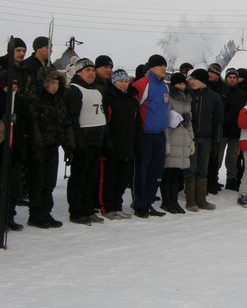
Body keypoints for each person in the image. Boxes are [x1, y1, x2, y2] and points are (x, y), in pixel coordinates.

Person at [25, 71, 74, 228]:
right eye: (51, 83)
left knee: (49, 181)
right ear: (44, 83)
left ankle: (45, 212)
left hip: (53, 146)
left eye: (57, 83)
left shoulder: (58, 101)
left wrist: (68, 146)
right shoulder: (35, 100)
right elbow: (33, 125)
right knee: (37, 181)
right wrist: (37, 146)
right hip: (39, 147)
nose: (54, 86)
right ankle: (35, 214)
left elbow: (65, 123)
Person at [65, 58, 110, 226]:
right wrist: (77, 141)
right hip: (82, 141)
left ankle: (88, 209)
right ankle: (76, 212)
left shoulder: (96, 91)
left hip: (96, 141)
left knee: (92, 177)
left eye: (92, 70)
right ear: (78, 73)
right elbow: (72, 118)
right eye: (87, 70)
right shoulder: (75, 90)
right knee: (79, 177)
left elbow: (101, 116)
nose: (91, 73)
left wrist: (105, 138)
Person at [131, 54, 170, 218]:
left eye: (165, 66)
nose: (163, 69)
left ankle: (148, 203)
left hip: (159, 135)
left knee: (155, 171)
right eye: (160, 65)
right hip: (145, 135)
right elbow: (133, 109)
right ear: (151, 67)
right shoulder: (142, 84)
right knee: (142, 171)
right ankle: (139, 205)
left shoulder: (165, 87)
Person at [100, 69, 142, 220]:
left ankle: (117, 206)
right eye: (120, 81)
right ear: (113, 82)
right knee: (109, 179)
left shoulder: (132, 100)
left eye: (125, 81)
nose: (124, 84)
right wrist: (106, 142)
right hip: (112, 146)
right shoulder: (107, 98)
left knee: (122, 180)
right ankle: (107, 207)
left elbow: (138, 124)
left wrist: (137, 144)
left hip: (127, 146)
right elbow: (104, 122)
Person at [183, 69, 220, 211]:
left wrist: (216, 141)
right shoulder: (186, 95)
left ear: (202, 81)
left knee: (203, 169)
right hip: (190, 137)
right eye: (190, 79)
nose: (191, 81)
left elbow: (218, 121)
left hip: (207, 138)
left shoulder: (214, 97)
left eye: (194, 79)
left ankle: (202, 200)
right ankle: (190, 201)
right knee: (190, 168)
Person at [0, 72, 29, 230]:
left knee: (14, 188)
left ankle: (9, 216)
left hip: (15, 150)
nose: (14, 88)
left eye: (16, 85)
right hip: (2, 150)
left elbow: (26, 125)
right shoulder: (2, 101)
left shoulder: (20, 102)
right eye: (11, 84)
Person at [161, 72, 193, 214]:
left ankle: (173, 201)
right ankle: (166, 201)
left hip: (183, 139)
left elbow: (189, 122)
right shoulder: (170, 99)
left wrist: (191, 140)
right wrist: (166, 141)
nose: (182, 86)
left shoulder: (187, 100)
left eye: (183, 83)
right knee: (169, 172)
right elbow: (165, 121)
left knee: (176, 173)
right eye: (179, 84)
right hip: (173, 138)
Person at [217, 68, 245, 191]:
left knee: (232, 158)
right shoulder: (221, 91)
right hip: (222, 130)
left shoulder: (241, 94)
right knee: (218, 156)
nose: (232, 80)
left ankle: (231, 179)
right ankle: (214, 177)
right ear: (226, 78)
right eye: (230, 77)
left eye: (234, 77)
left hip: (236, 131)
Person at [206, 62, 225, 194]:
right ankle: (206, 182)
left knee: (215, 154)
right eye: (209, 72)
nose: (210, 75)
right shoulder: (205, 85)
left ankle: (213, 180)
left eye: (213, 73)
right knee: (206, 156)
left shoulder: (223, 88)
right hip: (206, 123)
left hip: (218, 123)